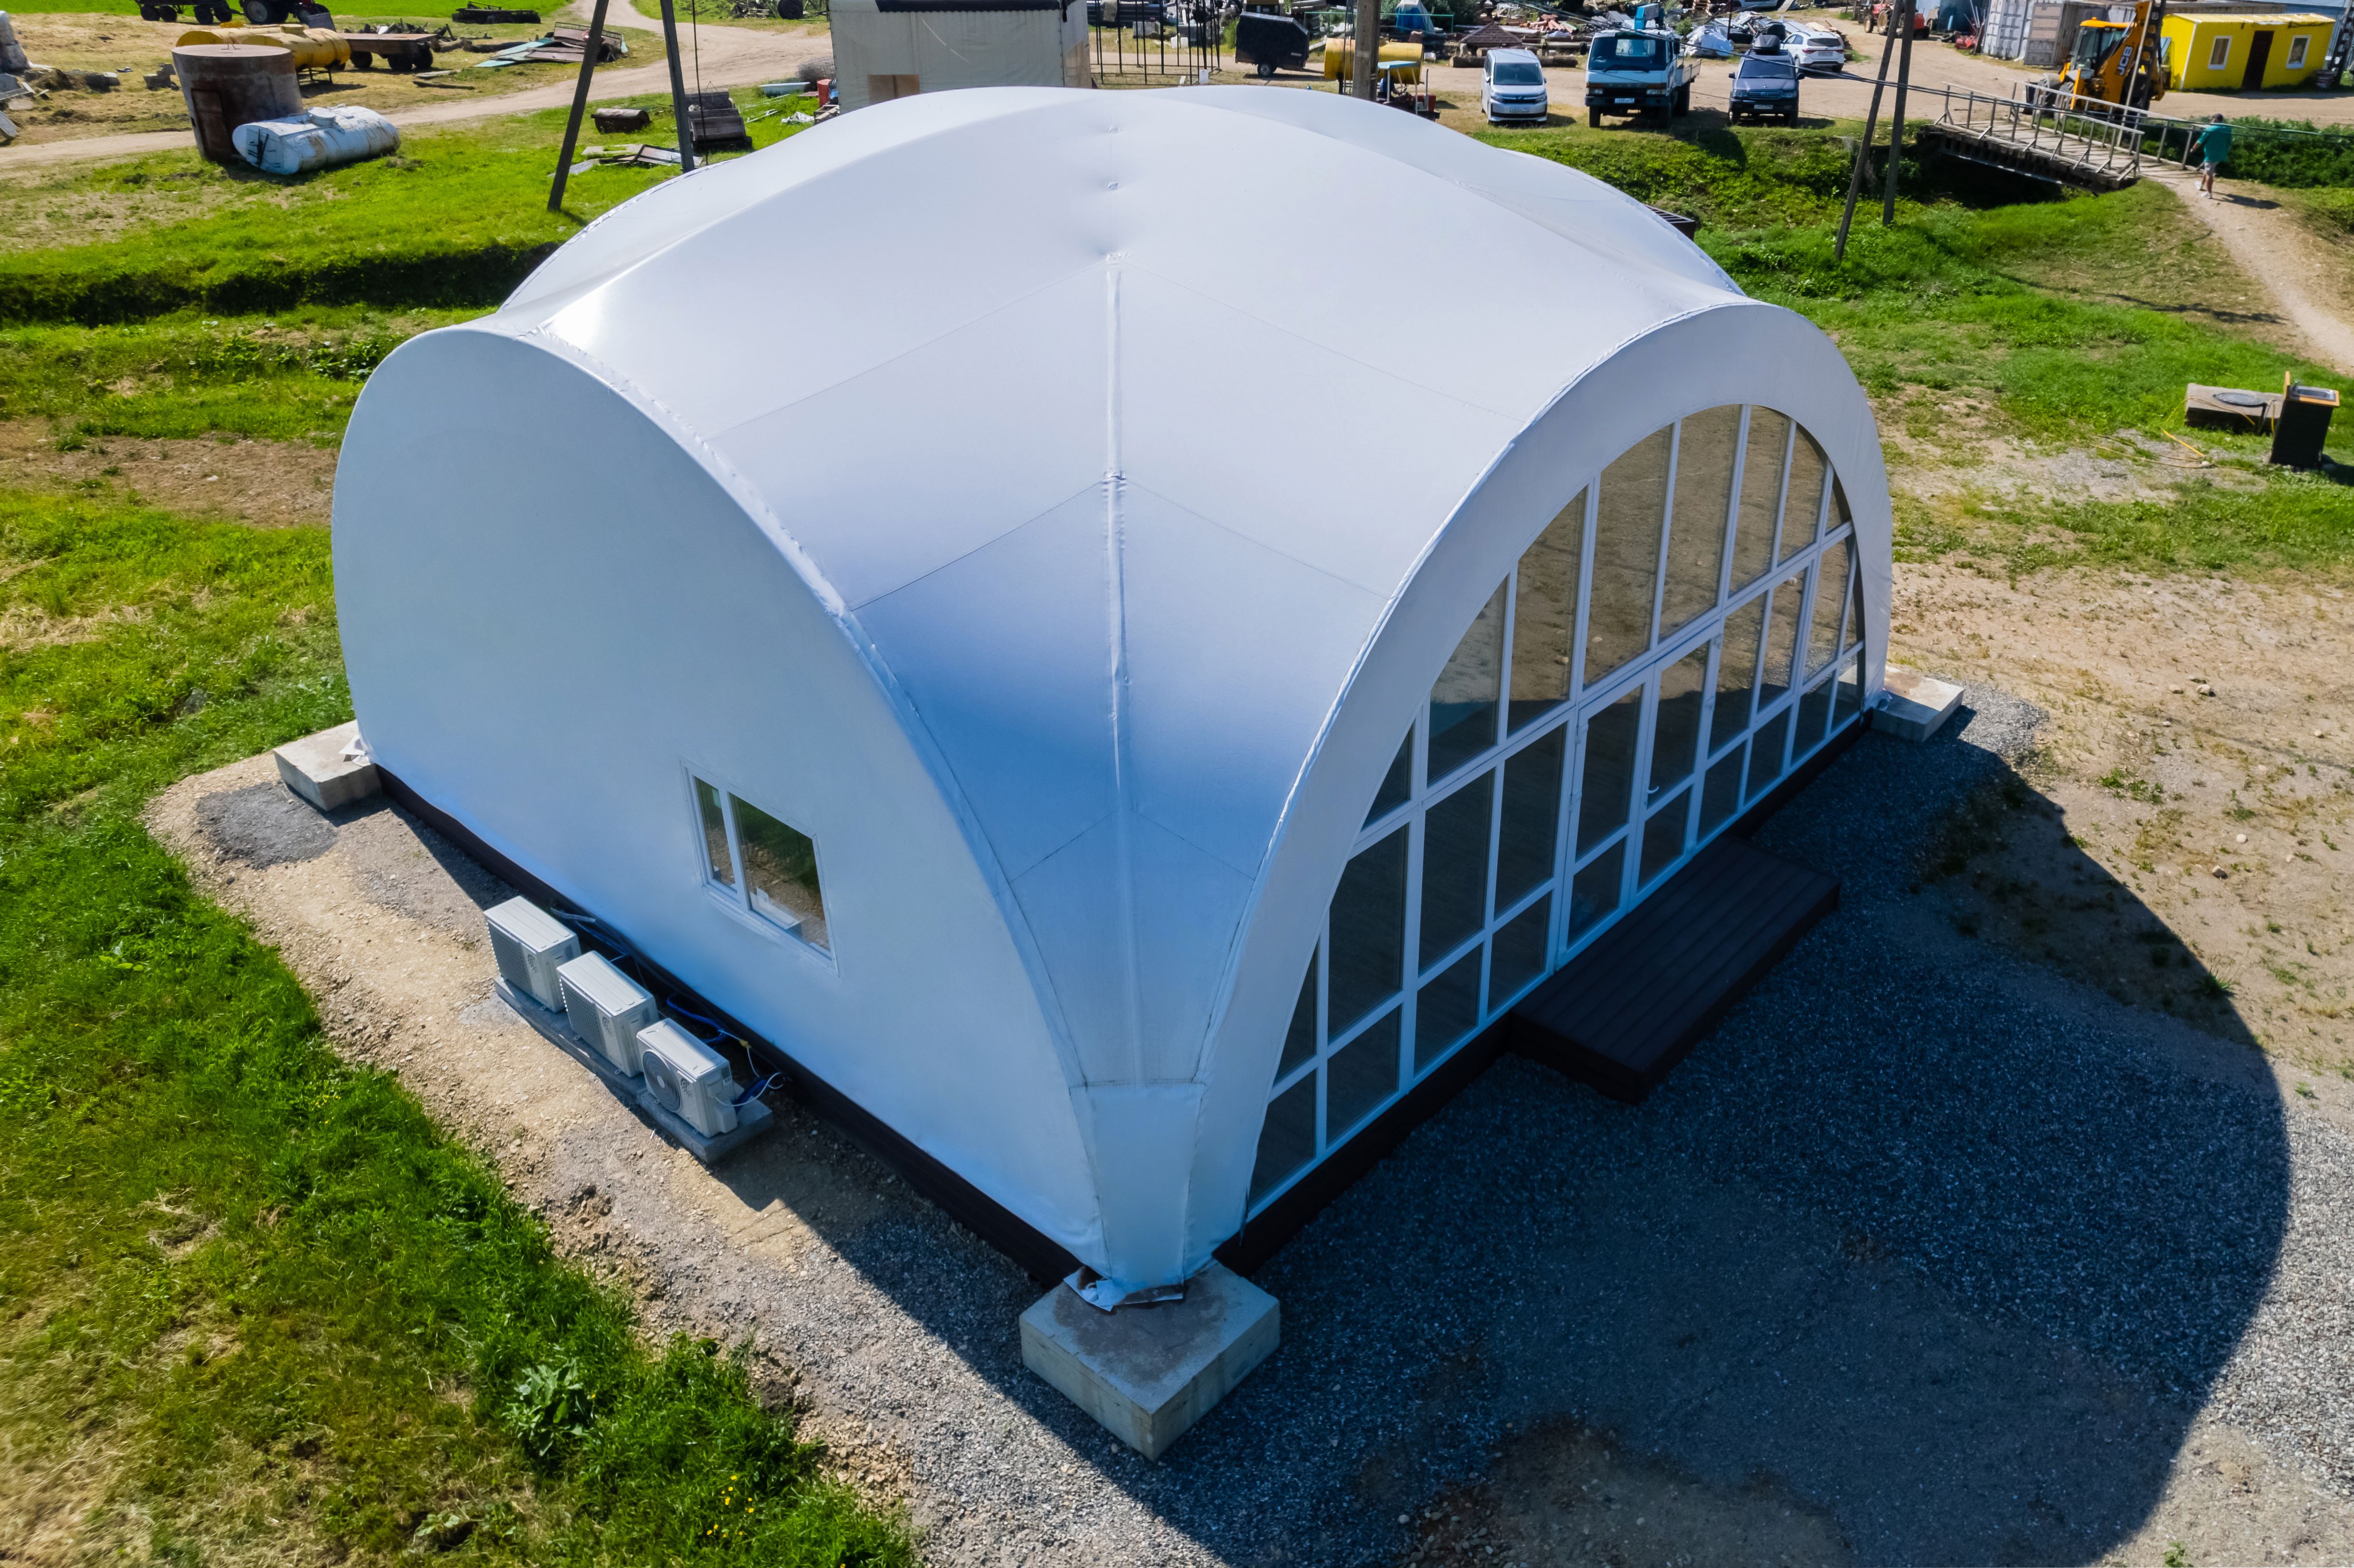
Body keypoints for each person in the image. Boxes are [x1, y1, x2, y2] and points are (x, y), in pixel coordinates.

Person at [2193, 113, 2232, 198]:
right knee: (2207, 170)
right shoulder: (2228, 129)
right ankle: (2201, 185)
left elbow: (2200, 141)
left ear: (2215, 120)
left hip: (2211, 155)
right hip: (2221, 154)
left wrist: (2193, 149)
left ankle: (2209, 193)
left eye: (2212, 119)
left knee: (2209, 173)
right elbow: (2229, 143)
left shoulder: (2211, 129)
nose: (2211, 121)